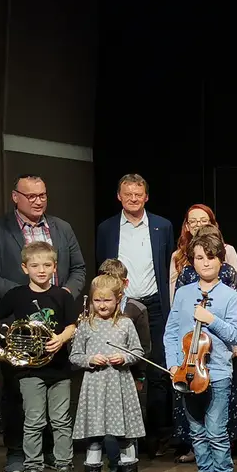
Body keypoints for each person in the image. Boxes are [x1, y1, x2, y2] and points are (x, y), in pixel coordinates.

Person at [0, 173, 86, 472]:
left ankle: (51, 453)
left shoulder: (62, 227)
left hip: (56, 323)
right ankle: (16, 453)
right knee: (17, 391)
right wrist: (22, 294)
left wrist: (64, 294)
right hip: (18, 325)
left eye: (42, 195)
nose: (38, 201)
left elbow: (78, 268)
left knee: (55, 391)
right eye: (31, 196)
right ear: (16, 197)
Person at [0, 241, 78, 472]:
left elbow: (72, 325)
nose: (41, 270)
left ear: (55, 267)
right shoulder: (16, 295)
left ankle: (64, 468)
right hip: (29, 370)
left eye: (47, 265)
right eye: (35, 266)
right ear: (25, 268)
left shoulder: (63, 295)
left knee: (61, 421)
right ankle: (33, 470)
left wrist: (61, 338)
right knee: (34, 421)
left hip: (58, 369)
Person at [165, 232, 237, 472]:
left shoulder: (229, 296)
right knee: (196, 432)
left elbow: (236, 336)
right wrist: (173, 363)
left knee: (216, 431)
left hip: (218, 373)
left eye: (211, 257)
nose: (205, 262)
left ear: (221, 260)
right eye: (199, 258)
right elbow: (171, 332)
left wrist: (211, 319)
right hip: (187, 373)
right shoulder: (184, 294)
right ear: (193, 262)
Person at [95, 174, 174, 451]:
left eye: (138, 194)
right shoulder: (107, 228)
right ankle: (127, 435)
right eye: (127, 194)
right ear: (119, 196)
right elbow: (102, 267)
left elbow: (167, 267)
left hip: (154, 305)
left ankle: (159, 434)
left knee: (157, 369)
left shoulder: (162, 226)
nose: (133, 199)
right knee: (123, 367)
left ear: (146, 197)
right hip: (121, 307)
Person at [69, 274, 145, 472]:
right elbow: (75, 356)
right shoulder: (86, 325)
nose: (102, 305)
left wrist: (123, 357)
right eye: (97, 300)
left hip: (119, 386)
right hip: (95, 388)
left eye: (107, 300)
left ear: (118, 299)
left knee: (124, 437)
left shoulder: (125, 324)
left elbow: (138, 351)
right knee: (94, 438)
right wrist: (90, 359)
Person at [97, 258, 152, 472]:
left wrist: (139, 376)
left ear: (125, 283)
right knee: (108, 425)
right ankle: (114, 467)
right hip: (103, 377)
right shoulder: (94, 309)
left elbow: (144, 347)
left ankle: (130, 470)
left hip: (129, 376)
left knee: (129, 426)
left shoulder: (136, 310)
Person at [169, 204, 237, 298]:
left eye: (203, 221)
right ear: (187, 226)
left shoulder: (228, 250)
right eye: (193, 221)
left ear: (212, 224)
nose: (198, 224)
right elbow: (174, 294)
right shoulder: (178, 255)